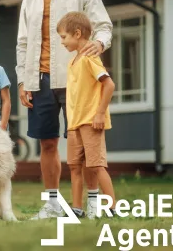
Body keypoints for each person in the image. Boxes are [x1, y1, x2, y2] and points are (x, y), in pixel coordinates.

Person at [15, 0, 113, 219]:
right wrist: (23, 79)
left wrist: (101, 42)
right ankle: (52, 204)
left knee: (84, 145)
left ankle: (93, 204)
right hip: (39, 80)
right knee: (47, 143)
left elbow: (104, 26)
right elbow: (22, 42)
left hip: (77, 81)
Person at [57, 12, 116, 219]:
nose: (62, 42)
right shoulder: (73, 61)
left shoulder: (90, 57)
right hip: (74, 123)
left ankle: (111, 208)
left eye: (64, 37)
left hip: (91, 122)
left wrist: (100, 114)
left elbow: (109, 85)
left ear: (77, 33)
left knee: (97, 165)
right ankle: (77, 209)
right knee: (74, 166)